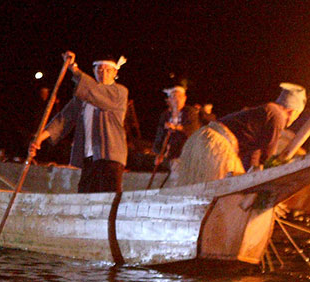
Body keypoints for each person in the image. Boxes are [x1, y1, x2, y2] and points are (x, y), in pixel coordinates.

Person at [171, 83, 306, 186]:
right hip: (216, 147)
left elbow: (255, 152)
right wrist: (268, 174)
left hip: (203, 138)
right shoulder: (278, 116)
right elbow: (267, 151)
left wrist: (251, 171)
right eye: (297, 115)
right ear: (291, 111)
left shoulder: (267, 110)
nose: (295, 119)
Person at [31, 53, 129, 193]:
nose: (103, 73)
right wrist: (39, 138)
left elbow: (95, 92)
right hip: (89, 158)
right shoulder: (84, 96)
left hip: (110, 157)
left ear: (115, 72)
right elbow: (64, 118)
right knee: (85, 196)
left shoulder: (119, 92)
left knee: (108, 198)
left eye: (108, 70)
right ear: (94, 71)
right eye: (99, 69)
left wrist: (74, 69)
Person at [151, 85, 202, 164]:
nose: (177, 100)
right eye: (174, 97)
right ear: (169, 100)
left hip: (187, 152)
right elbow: (160, 135)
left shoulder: (190, 112)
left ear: (185, 98)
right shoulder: (165, 115)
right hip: (170, 154)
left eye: (180, 97)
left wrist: (176, 127)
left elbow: (192, 130)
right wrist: (158, 153)